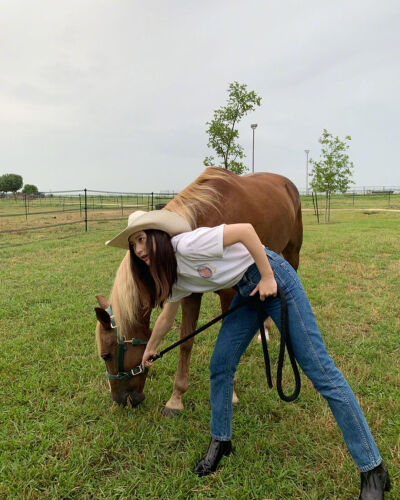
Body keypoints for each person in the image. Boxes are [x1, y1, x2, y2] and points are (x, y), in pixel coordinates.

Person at [106, 210, 391, 499]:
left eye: (142, 239)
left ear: (158, 236)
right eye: (133, 244)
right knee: (220, 365)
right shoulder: (172, 275)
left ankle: (372, 468)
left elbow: (245, 230)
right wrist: (151, 349)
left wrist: (267, 276)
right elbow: (167, 317)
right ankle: (221, 441)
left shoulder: (188, 244)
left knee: (321, 372)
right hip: (247, 291)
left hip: (275, 279)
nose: (139, 249)